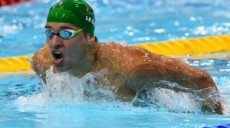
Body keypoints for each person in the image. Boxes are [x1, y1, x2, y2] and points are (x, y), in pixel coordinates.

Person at [32, 0, 223, 114]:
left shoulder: (130, 68)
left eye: (66, 33)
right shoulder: (42, 63)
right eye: (49, 33)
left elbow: (201, 79)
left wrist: (212, 120)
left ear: (90, 38)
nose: (54, 42)